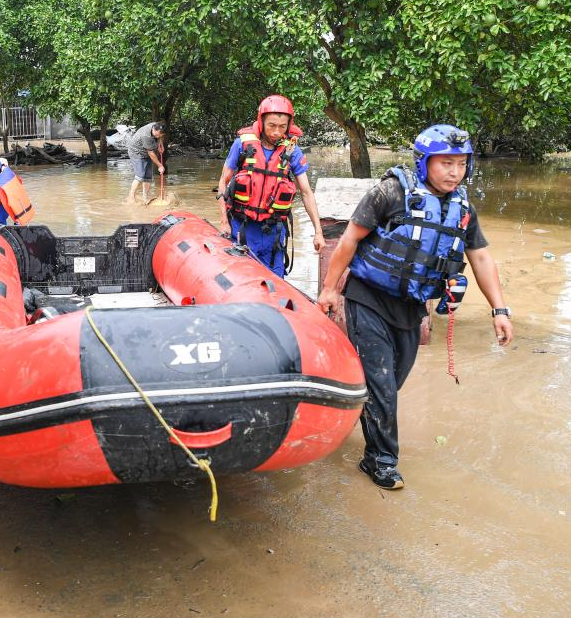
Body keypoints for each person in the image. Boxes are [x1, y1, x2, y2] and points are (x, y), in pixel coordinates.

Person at [317, 124, 514, 491]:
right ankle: (380, 461)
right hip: (368, 298)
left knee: (389, 384)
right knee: (382, 385)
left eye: (461, 164)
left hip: (411, 308)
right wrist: (330, 290)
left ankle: (342, 415)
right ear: (424, 163)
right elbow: (349, 240)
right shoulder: (390, 193)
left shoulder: (463, 209)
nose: (454, 172)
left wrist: (499, 310)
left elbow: (482, 259)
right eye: (446, 163)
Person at [216, 95, 325, 277]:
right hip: (242, 228)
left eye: (282, 127)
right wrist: (223, 222)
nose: (276, 132)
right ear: (261, 122)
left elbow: (306, 193)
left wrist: (318, 232)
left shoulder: (292, 152)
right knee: (241, 281)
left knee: (275, 284)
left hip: (273, 233)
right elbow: (223, 182)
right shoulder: (242, 145)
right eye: (271, 125)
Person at [125, 121, 167, 204]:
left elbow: (160, 136)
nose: (157, 136)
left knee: (148, 176)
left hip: (146, 151)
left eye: (159, 135)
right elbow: (151, 153)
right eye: (156, 135)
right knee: (140, 176)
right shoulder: (146, 136)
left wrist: (160, 143)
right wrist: (160, 165)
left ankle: (145, 198)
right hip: (136, 152)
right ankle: (131, 197)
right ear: (153, 129)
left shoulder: (157, 125)